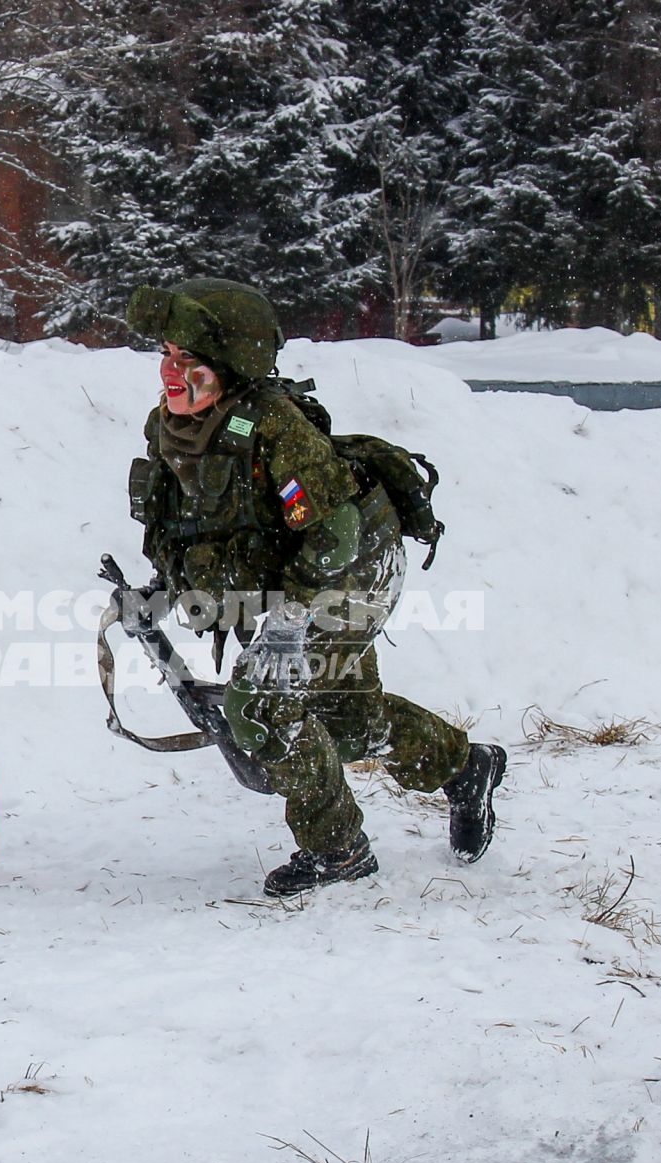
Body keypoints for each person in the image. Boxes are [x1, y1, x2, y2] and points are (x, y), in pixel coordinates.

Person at [122, 277, 506, 895]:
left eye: (186, 359)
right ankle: (465, 768)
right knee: (348, 720)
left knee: (263, 708)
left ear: (228, 364)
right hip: (295, 582)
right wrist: (163, 586)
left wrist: (287, 622)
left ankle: (338, 851)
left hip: (348, 574)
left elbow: (334, 535)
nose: (169, 371)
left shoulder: (273, 427)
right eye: (165, 354)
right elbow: (186, 522)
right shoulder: (167, 427)